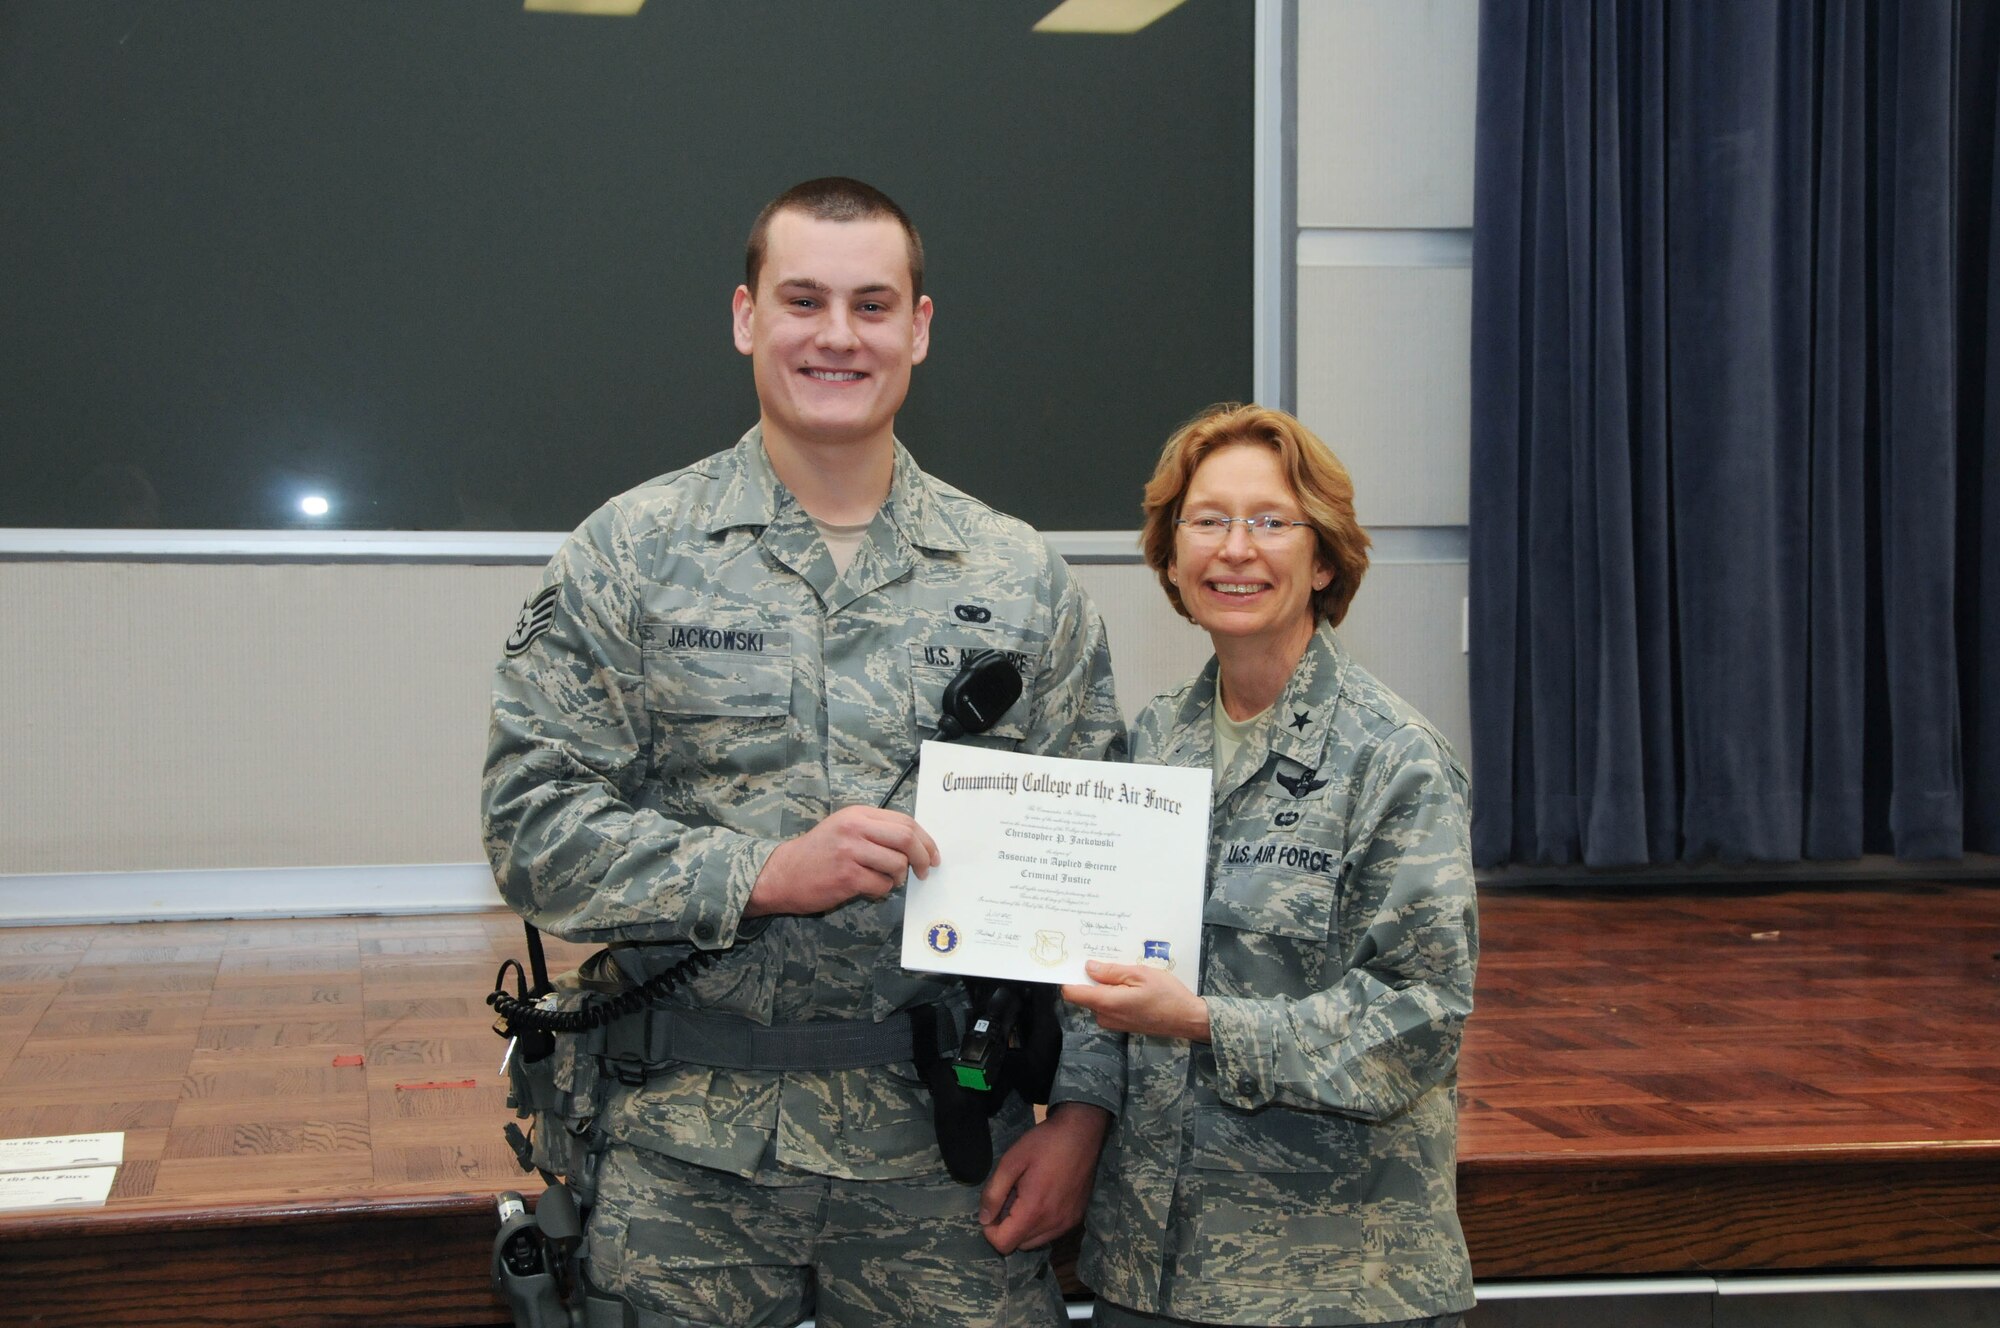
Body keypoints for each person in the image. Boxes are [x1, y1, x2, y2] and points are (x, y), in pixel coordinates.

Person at [482, 177, 1126, 1328]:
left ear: (918, 329)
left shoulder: (1018, 578)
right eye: (803, 300)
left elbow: (1097, 882)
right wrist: (759, 874)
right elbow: (532, 829)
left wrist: (1077, 1113)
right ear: (745, 317)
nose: (838, 335)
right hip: (685, 1156)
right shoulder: (624, 556)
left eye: (873, 304)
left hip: (944, 1147)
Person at [1064, 404, 1477, 1328]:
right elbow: (1104, 962)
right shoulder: (1153, 741)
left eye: (1270, 521)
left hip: (1333, 1286)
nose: (1235, 549)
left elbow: (1420, 1018)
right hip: (1150, 1271)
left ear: (1324, 559)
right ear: (1171, 558)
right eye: (1206, 521)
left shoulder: (1392, 758)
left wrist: (1208, 1023)